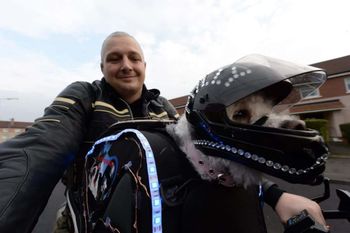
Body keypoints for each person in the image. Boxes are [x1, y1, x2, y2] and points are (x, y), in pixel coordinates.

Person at [0, 31, 327, 233]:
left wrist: (274, 194)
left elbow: (213, 150)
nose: (126, 64)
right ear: (102, 68)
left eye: (134, 57)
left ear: (144, 64)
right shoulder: (85, 94)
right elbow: (43, 143)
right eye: (114, 58)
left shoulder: (164, 107)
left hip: (157, 216)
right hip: (86, 213)